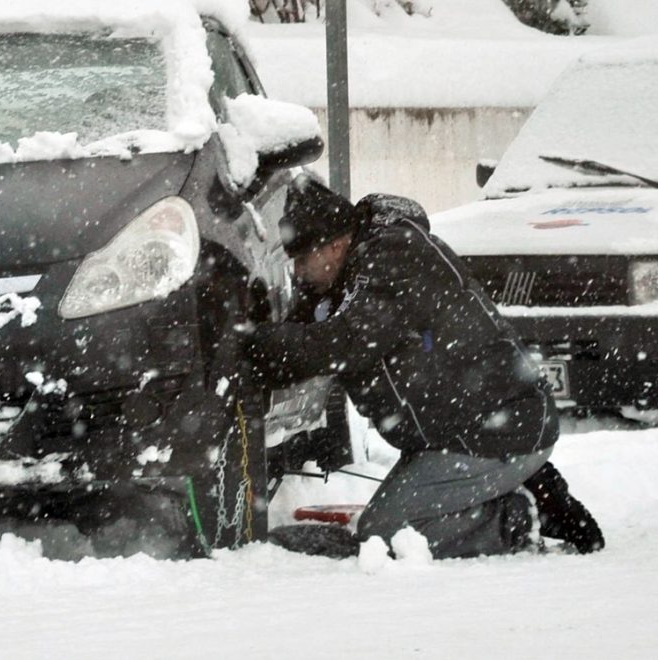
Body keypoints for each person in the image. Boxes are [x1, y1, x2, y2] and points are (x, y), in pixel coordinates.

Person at [245, 174, 604, 558]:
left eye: (302, 260)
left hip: (494, 434)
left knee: (384, 535)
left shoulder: (391, 261)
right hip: (458, 437)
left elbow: (342, 343)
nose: (297, 272)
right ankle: (511, 483)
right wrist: (263, 352)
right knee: (382, 529)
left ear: (335, 246)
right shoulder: (348, 274)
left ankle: (518, 516)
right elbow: (304, 340)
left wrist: (246, 341)